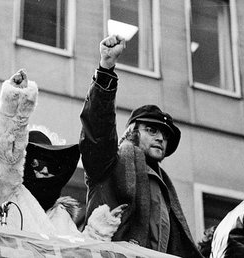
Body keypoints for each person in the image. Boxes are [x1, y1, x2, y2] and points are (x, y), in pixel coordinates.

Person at [79, 35, 202, 257]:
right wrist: (106, 69)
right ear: (132, 132)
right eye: (151, 130)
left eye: (165, 134)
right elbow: (97, 131)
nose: (160, 138)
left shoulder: (164, 187)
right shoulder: (110, 163)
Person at [0, 69, 125, 240]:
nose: (44, 171)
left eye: (51, 166)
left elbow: (76, 253)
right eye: (36, 163)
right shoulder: (8, 194)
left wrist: (97, 232)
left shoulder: (61, 216)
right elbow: (3, 150)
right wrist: (16, 103)